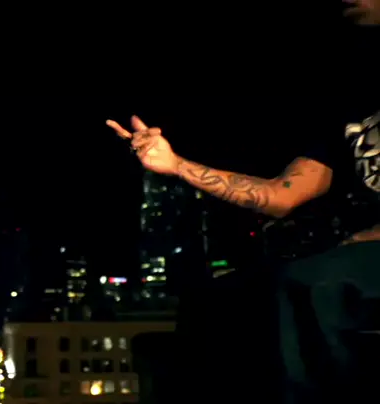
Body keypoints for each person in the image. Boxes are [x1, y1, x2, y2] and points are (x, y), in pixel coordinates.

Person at [107, 4, 378, 402]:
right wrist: (175, 164)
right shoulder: (354, 104)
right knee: (218, 301)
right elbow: (280, 195)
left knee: (318, 283)